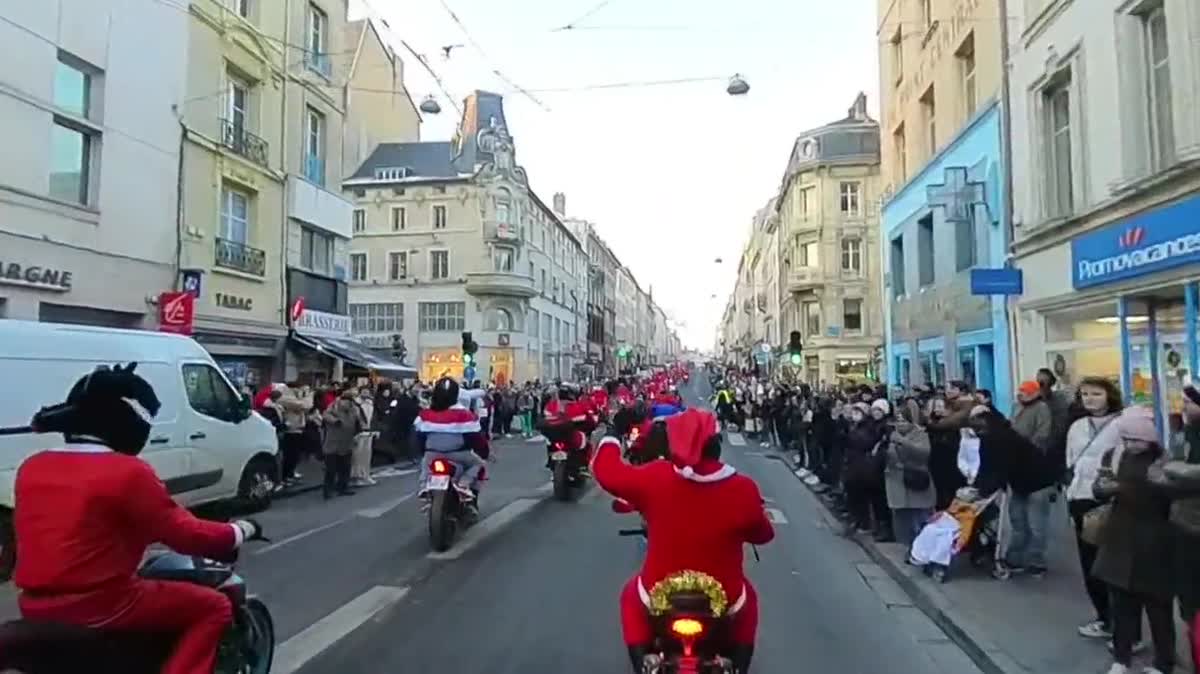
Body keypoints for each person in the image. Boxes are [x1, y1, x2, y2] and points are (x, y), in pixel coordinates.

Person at [14, 363, 262, 674]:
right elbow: (187, 535)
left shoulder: (33, 467)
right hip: (103, 603)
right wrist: (239, 530)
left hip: (33, 605)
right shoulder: (128, 473)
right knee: (214, 607)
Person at [592, 408, 774, 673]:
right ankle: (739, 666)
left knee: (630, 598)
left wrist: (611, 435)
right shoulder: (743, 487)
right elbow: (764, 535)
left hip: (660, 590)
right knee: (749, 603)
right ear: (716, 447)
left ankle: (643, 662)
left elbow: (606, 471)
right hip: (723, 594)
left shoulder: (656, 477)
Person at [415, 378, 489, 505]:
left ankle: (425, 486)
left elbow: (419, 436)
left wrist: (423, 451)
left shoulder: (425, 414)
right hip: (458, 454)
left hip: (432, 453)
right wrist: (484, 453)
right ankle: (464, 484)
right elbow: (476, 438)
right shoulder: (464, 415)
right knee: (478, 464)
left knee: (425, 464)